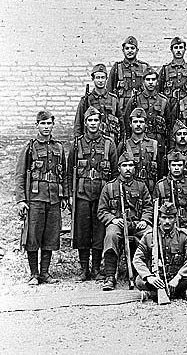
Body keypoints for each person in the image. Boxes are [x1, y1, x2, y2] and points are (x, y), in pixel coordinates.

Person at [15, 110, 68, 285]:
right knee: (33, 236)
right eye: (42, 123)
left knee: (50, 235)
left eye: (49, 123)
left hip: (54, 198)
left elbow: (65, 174)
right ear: (36, 125)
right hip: (36, 198)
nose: (46, 127)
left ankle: (45, 273)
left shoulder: (59, 147)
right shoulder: (29, 148)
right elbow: (20, 175)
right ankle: (34, 274)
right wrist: (21, 200)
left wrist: (65, 195)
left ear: (53, 125)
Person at [68, 106, 118, 281]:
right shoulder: (77, 144)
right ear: (85, 122)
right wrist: (69, 195)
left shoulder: (108, 143)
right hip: (82, 193)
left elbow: (114, 171)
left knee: (99, 231)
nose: (93, 123)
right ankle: (84, 268)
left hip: (102, 194)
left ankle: (96, 268)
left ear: (100, 122)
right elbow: (69, 172)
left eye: (96, 120)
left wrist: (112, 195)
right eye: (90, 120)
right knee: (82, 231)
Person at [97, 152, 153, 291]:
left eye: (131, 165)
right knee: (111, 235)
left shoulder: (141, 186)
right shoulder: (109, 187)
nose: (128, 169)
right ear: (119, 168)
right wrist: (113, 219)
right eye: (124, 166)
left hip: (137, 224)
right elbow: (101, 211)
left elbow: (148, 207)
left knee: (151, 235)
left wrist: (145, 220)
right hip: (119, 224)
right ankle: (110, 276)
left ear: (135, 168)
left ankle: (150, 271)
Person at [133, 201, 187, 301]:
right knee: (139, 280)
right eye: (164, 218)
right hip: (156, 279)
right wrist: (149, 277)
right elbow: (137, 259)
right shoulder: (149, 236)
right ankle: (181, 292)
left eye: (170, 218)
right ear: (159, 219)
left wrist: (178, 276)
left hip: (177, 278)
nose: (167, 221)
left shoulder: (183, 235)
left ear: (175, 219)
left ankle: (152, 293)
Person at [153, 152, 187, 254]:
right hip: (167, 225)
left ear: (184, 166)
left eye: (179, 165)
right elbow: (154, 209)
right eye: (174, 165)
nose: (176, 168)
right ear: (168, 166)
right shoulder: (161, 185)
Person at [124, 66, 171, 159]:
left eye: (153, 79)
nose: (150, 82)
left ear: (157, 82)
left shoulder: (164, 101)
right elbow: (127, 121)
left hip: (159, 142)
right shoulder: (135, 100)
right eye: (148, 79)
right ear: (143, 81)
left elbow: (169, 124)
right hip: (139, 142)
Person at [73, 63, 123, 144]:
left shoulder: (113, 99)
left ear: (106, 78)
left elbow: (121, 122)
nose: (100, 80)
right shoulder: (86, 100)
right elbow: (78, 124)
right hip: (91, 143)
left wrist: (121, 141)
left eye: (103, 77)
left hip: (111, 142)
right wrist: (78, 142)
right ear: (93, 79)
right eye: (97, 77)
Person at [118, 107, 161, 193]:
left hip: (150, 186)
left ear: (146, 124)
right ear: (130, 124)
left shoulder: (154, 144)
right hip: (131, 187)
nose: (138, 125)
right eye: (135, 122)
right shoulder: (124, 145)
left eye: (141, 122)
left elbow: (160, 170)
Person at [107, 35, 149, 113]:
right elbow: (109, 90)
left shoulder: (144, 67)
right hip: (122, 109)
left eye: (132, 48)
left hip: (141, 109)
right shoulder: (117, 67)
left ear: (137, 50)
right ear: (123, 50)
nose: (130, 51)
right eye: (127, 48)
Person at [158, 36, 187, 102]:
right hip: (170, 105)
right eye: (176, 48)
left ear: (185, 49)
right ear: (171, 50)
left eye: (181, 48)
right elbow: (158, 90)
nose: (178, 50)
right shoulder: (165, 69)